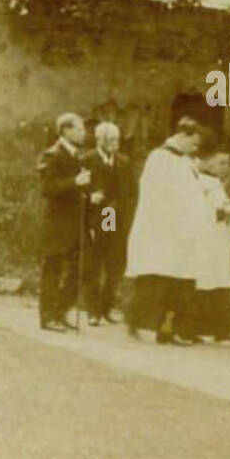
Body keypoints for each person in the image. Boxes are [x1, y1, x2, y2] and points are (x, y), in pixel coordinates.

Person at [125, 116, 208, 344]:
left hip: (183, 233)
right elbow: (158, 195)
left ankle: (167, 329)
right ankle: (137, 322)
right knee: (156, 279)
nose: (196, 148)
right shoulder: (160, 158)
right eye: (194, 143)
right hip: (163, 231)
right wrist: (179, 219)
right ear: (183, 135)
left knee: (178, 282)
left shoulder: (184, 160)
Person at [79, 121, 137, 325]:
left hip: (117, 218)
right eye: (111, 140)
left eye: (117, 140)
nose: (115, 144)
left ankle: (106, 307)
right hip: (97, 217)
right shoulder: (87, 159)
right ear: (100, 141)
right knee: (94, 265)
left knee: (116, 265)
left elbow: (132, 192)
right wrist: (90, 198)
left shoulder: (124, 162)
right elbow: (80, 189)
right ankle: (93, 311)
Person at [188, 143, 230, 342]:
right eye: (221, 162)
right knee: (203, 283)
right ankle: (196, 329)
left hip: (218, 239)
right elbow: (195, 209)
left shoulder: (216, 182)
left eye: (227, 163)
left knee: (220, 282)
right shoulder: (197, 181)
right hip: (203, 239)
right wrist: (220, 212)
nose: (225, 166)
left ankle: (222, 329)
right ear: (209, 161)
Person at [37, 113, 89, 332]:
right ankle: (48, 316)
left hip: (75, 223)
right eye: (78, 129)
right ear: (65, 130)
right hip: (58, 223)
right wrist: (75, 182)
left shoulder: (76, 155)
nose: (83, 133)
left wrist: (86, 192)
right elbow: (48, 189)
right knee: (53, 269)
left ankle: (60, 311)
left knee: (79, 270)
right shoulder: (52, 154)